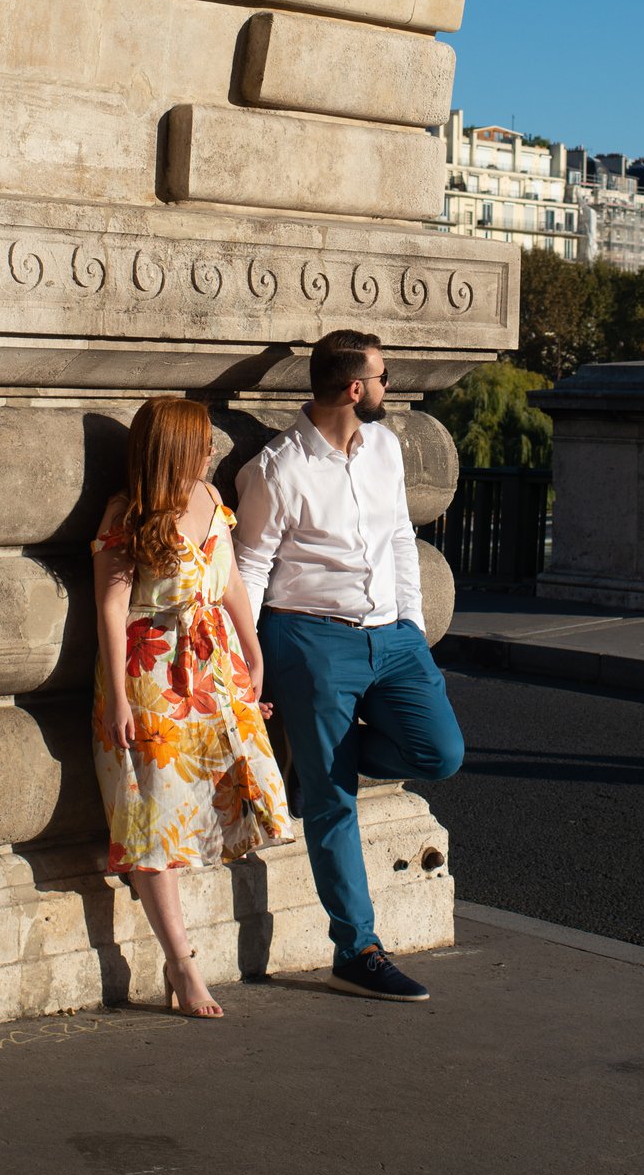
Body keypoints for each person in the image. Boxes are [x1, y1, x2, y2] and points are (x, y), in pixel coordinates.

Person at [234, 331, 464, 1001]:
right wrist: (245, 662)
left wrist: (412, 629)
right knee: (335, 801)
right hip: (309, 640)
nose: (391, 389)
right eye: (384, 378)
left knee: (440, 751)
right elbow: (249, 569)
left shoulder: (387, 448)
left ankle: (312, 753)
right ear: (355, 389)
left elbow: (399, 535)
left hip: (391, 636)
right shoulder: (278, 470)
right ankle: (357, 948)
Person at [91, 395, 291, 1019]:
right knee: (151, 818)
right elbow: (111, 608)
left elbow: (228, 579)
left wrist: (253, 650)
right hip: (150, 671)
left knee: (240, 786)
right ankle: (181, 963)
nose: (213, 449)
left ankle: (184, 956)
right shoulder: (129, 513)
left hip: (214, 663)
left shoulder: (209, 495)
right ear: (175, 446)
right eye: (204, 440)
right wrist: (120, 700)